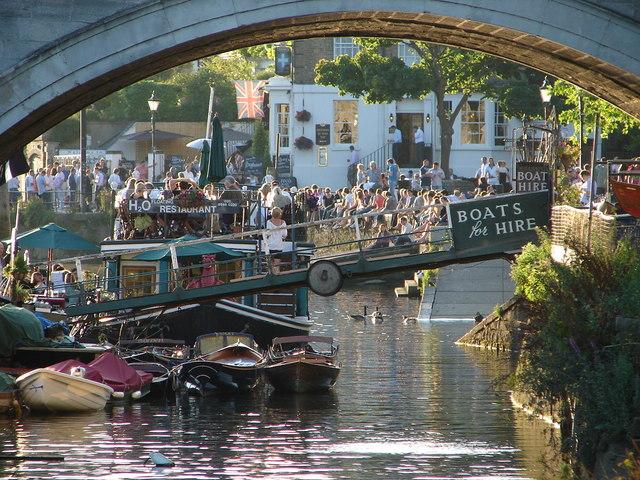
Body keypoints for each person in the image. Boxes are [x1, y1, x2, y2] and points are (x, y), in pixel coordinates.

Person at [264, 206, 288, 273]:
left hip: (270, 246)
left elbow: (268, 233)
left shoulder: (269, 222)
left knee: (270, 265)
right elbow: (285, 234)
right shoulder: (283, 223)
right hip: (278, 246)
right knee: (277, 265)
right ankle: (277, 276)